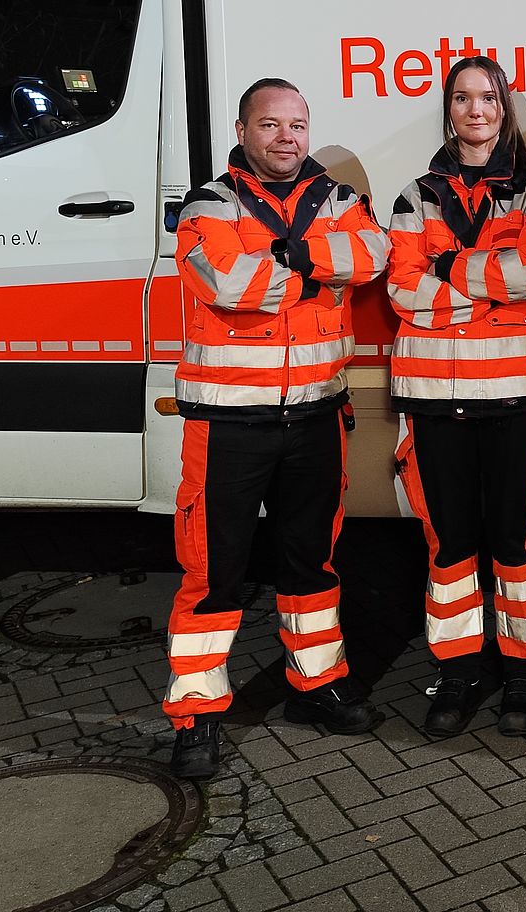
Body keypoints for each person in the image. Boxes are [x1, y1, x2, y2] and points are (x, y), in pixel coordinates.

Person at [162, 78, 388, 779]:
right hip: (230, 420)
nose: (287, 138)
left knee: (311, 563)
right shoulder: (209, 202)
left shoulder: (341, 200)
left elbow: (375, 258)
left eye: (298, 124)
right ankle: (197, 712)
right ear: (243, 129)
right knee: (212, 571)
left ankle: (315, 685)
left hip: (316, 412)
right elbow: (228, 285)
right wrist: (319, 268)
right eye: (271, 124)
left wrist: (284, 259)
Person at [387, 56, 526, 737]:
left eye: (487, 98)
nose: (474, 110)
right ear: (448, 110)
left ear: (504, 108)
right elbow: (399, 289)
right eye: (462, 98)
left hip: (518, 399)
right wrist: (483, 293)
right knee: (449, 547)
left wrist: (442, 274)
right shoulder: (415, 194)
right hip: (435, 400)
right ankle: (459, 670)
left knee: (516, 547)